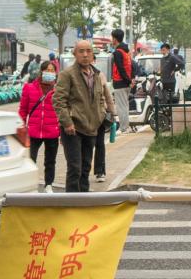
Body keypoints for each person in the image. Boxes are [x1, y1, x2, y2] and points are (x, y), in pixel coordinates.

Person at [53, 39, 112, 192]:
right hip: (73, 128)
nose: (85, 55)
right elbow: (58, 101)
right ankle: (72, 201)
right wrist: (67, 122)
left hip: (91, 128)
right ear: (75, 54)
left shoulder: (96, 75)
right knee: (75, 168)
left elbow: (100, 98)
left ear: (92, 54)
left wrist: (102, 116)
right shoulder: (67, 74)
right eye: (81, 51)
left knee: (86, 168)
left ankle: (84, 199)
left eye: (88, 51)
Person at [18, 56, 62, 191]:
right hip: (33, 131)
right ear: (41, 72)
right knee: (30, 160)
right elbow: (23, 110)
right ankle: (30, 185)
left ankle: (49, 185)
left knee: (50, 161)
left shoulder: (58, 90)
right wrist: (21, 127)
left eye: (52, 71)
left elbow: (63, 110)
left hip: (52, 131)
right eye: (47, 70)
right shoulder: (29, 88)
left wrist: (61, 129)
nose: (50, 73)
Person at [107, 30, 135, 135]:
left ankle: (124, 128)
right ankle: (126, 127)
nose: (111, 40)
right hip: (126, 83)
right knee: (125, 106)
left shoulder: (117, 52)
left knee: (121, 107)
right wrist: (130, 80)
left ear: (115, 39)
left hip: (120, 83)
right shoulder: (126, 51)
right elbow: (131, 66)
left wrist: (128, 80)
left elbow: (120, 68)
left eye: (112, 38)